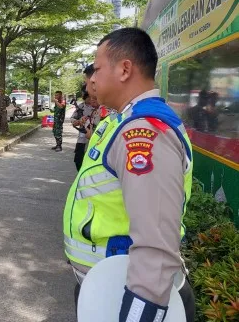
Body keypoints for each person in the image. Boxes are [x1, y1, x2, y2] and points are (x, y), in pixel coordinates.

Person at [64, 27, 195, 322]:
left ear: (124, 69)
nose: (92, 79)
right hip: (107, 291)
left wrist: (139, 315)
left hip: (130, 300)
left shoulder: (145, 131)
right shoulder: (122, 121)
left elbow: (156, 247)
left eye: (96, 69)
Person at [70, 91, 98, 171]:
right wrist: (77, 122)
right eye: (89, 98)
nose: (91, 100)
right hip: (82, 139)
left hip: (94, 140)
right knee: (78, 160)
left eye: (93, 98)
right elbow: (73, 118)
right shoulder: (81, 106)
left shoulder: (99, 109)